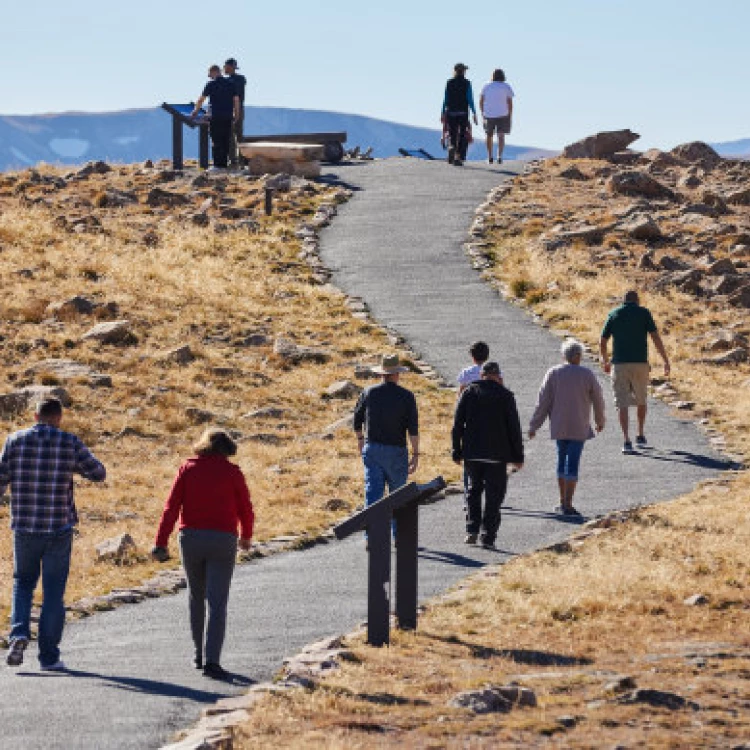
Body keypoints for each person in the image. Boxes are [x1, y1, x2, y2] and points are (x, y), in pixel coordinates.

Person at [0, 397, 106, 670]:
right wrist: (70, 466)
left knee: (22, 583)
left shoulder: (14, 440)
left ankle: (19, 634)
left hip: (24, 525)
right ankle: (48, 657)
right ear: (58, 417)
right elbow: (98, 473)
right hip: (58, 526)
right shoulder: (69, 442)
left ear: (35, 416)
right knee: (53, 591)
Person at [152, 428, 254, 680]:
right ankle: (212, 660)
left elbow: (171, 507)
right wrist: (246, 536)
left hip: (192, 539)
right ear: (227, 448)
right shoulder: (233, 472)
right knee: (218, 602)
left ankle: (198, 653)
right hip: (223, 540)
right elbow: (245, 508)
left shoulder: (188, 468)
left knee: (196, 597)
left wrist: (161, 542)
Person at [528, 339, 606, 515]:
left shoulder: (554, 373)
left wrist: (534, 426)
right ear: (578, 356)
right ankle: (568, 504)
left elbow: (543, 402)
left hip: (559, 425)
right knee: (573, 464)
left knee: (561, 462)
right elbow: (598, 400)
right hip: (579, 426)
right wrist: (600, 421)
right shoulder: (587, 374)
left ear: (564, 356)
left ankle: (562, 500)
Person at [452, 361, 524, 550]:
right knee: (494, 496)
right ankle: (488, 536)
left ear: (481, 375)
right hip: (497, 455)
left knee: (473, 491)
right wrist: (518, 456)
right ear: (498, 376)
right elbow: (514, 428)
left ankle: (472, 529)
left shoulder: (469, 392)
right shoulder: (506, 395)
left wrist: (456, 450)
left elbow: (458, 423)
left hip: (473, 453)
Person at [353, 354, 419, 533]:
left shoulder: (369, 392)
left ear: (381, 374)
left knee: (373, 494)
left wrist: (360, 440)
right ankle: (398, 535)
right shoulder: (407, 396)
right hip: (397, 450)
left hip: (373, 448)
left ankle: (372, 537)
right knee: (397, 496)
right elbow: (412, 429)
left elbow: (357, 419)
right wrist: (415, 454)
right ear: (397, 374)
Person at [599, 290, 671, 454]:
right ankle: (640, 434)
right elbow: (655, 337)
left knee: (621, 402)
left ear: (623, 300)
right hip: (640, 363)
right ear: (637, 300)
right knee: (641, 399)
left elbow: (602, 340)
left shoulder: (614, 313)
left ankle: (626, 440)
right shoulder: (644, 313)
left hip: (619, 364)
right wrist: (665, 360)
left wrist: (604, 360)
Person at [191, 65, 240, 170]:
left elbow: (201, 99)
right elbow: (236, 100)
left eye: (209, 74)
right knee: (225, 140)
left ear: (214, 72)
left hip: (215, 116)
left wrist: (195, 110)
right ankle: (224, 164)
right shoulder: (231, 84)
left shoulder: (211, 84)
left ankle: (217, 165)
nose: (209, 76)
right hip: (228, 116)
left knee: (216, 140)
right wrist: (237, 114)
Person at [441, 63, 478, 166]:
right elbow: (470, 99)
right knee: (462, 134)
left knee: (452, 133)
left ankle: (452, 147)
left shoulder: (449, 82)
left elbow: (446, 99)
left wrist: (442, 112)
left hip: (451, 111)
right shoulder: (467, 83)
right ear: (464, 71)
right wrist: (474, 113)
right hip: (463, 112)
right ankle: (459, 157)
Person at [479, 69, 514, 164]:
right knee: (501, 135)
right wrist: (510, 115)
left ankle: (490, 156)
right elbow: (510, 102)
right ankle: (499, 156)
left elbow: (481, 100)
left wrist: (482, 112)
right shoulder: (506, 86)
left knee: (489, 135)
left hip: (489, 114)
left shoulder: (486, 86)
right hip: (503, 114)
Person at [223, 58, 246, 167]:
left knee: (237, 134)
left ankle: (240, 159)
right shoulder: (229, 80)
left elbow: (236, 93)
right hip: (230, 108)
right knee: (231, 135)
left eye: (226, 67)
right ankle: (233, 160)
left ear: (231, 67)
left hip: (237, 107)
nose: (224, 69)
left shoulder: (240, 79)